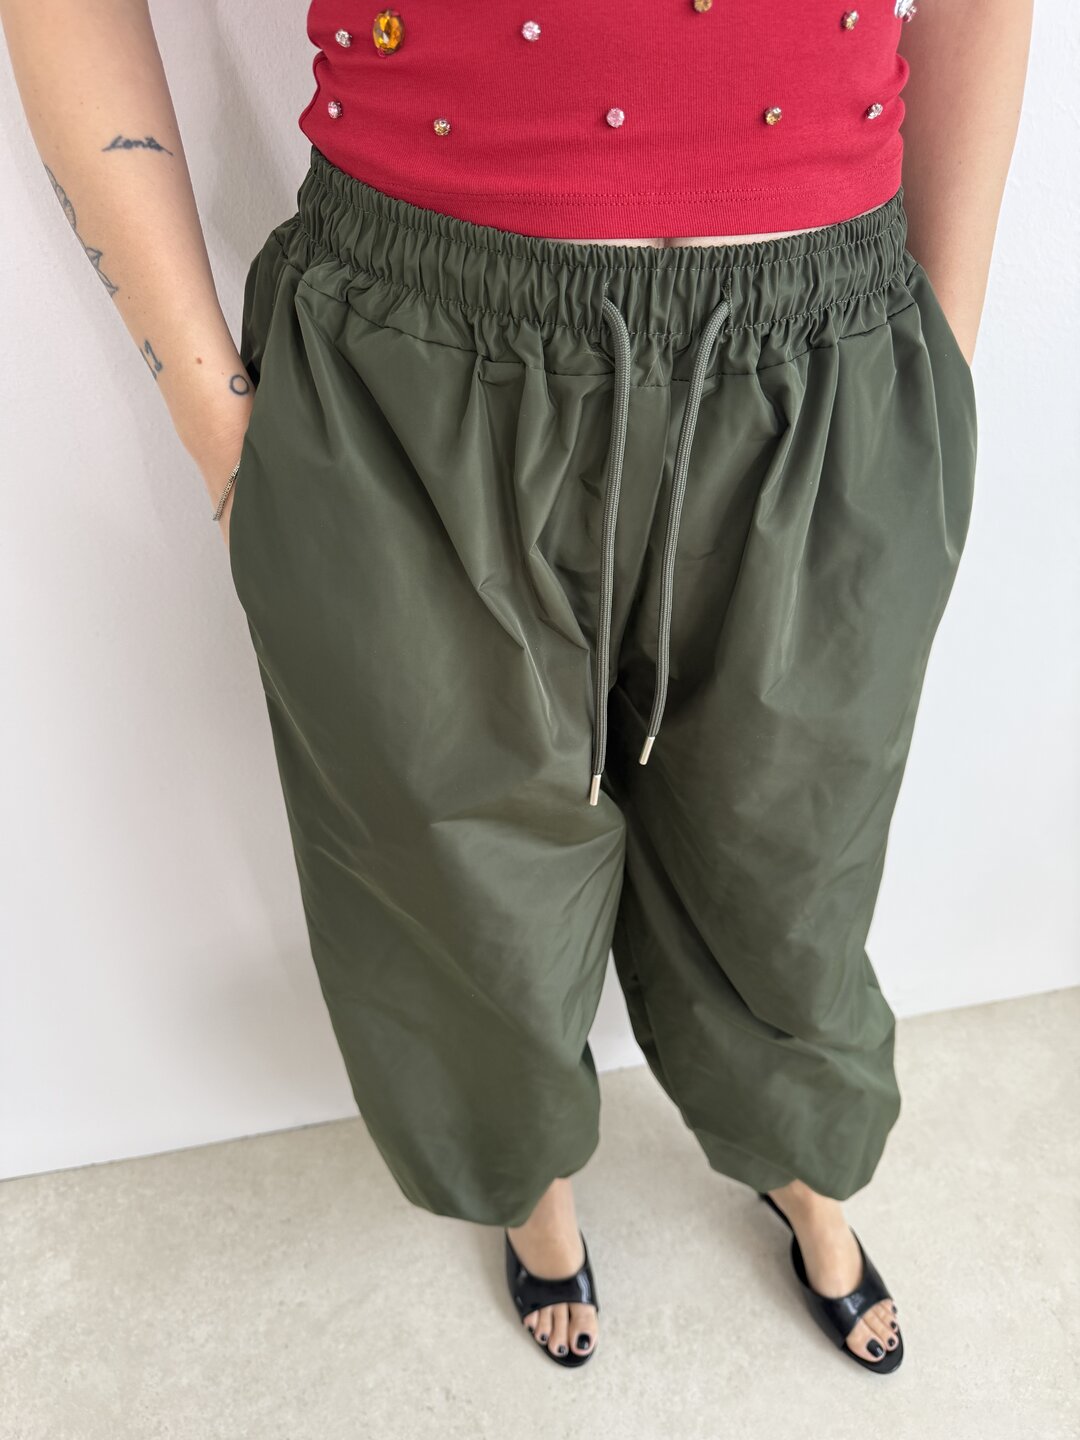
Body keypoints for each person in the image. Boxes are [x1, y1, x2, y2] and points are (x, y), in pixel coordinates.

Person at [2, 0, 1032, 1375]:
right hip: (414, 370)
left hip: (826, 361)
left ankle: (803, 1162)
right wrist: (219, 431)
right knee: (455, 885)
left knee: (794, 858)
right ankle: (531, 1189)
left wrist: (938, 368)